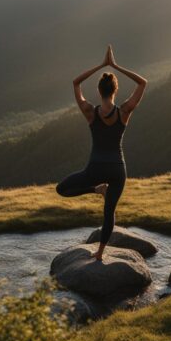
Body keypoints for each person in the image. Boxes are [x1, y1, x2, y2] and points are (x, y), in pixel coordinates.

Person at [56, 45, 148, 261]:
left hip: (95, 168)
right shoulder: (124, 111)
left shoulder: (90, 112)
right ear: (115, 90)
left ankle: (96, 190)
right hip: (117, 169)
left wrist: (101, 65)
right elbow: (142, 82)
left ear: (99, 90)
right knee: (109, 213)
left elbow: (76, 82)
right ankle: (100, 253)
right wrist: (115, 66)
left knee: (62, 189)